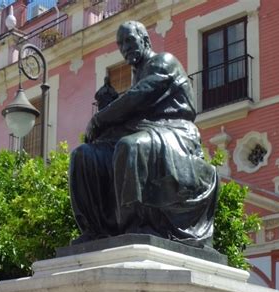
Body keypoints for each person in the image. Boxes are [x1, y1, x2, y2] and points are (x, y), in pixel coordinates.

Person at [70, 21, 218, 248]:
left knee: (131, 147)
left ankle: (134, 225)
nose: (125, 47)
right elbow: (132, 109)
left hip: (175, 131)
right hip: (147, 129)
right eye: (121, 44)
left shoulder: (163, 61)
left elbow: (139, 97)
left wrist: (100, 118)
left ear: (144, 39)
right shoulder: (137, 74)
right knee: (84, 155)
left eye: (129, 40)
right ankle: (97, 229)